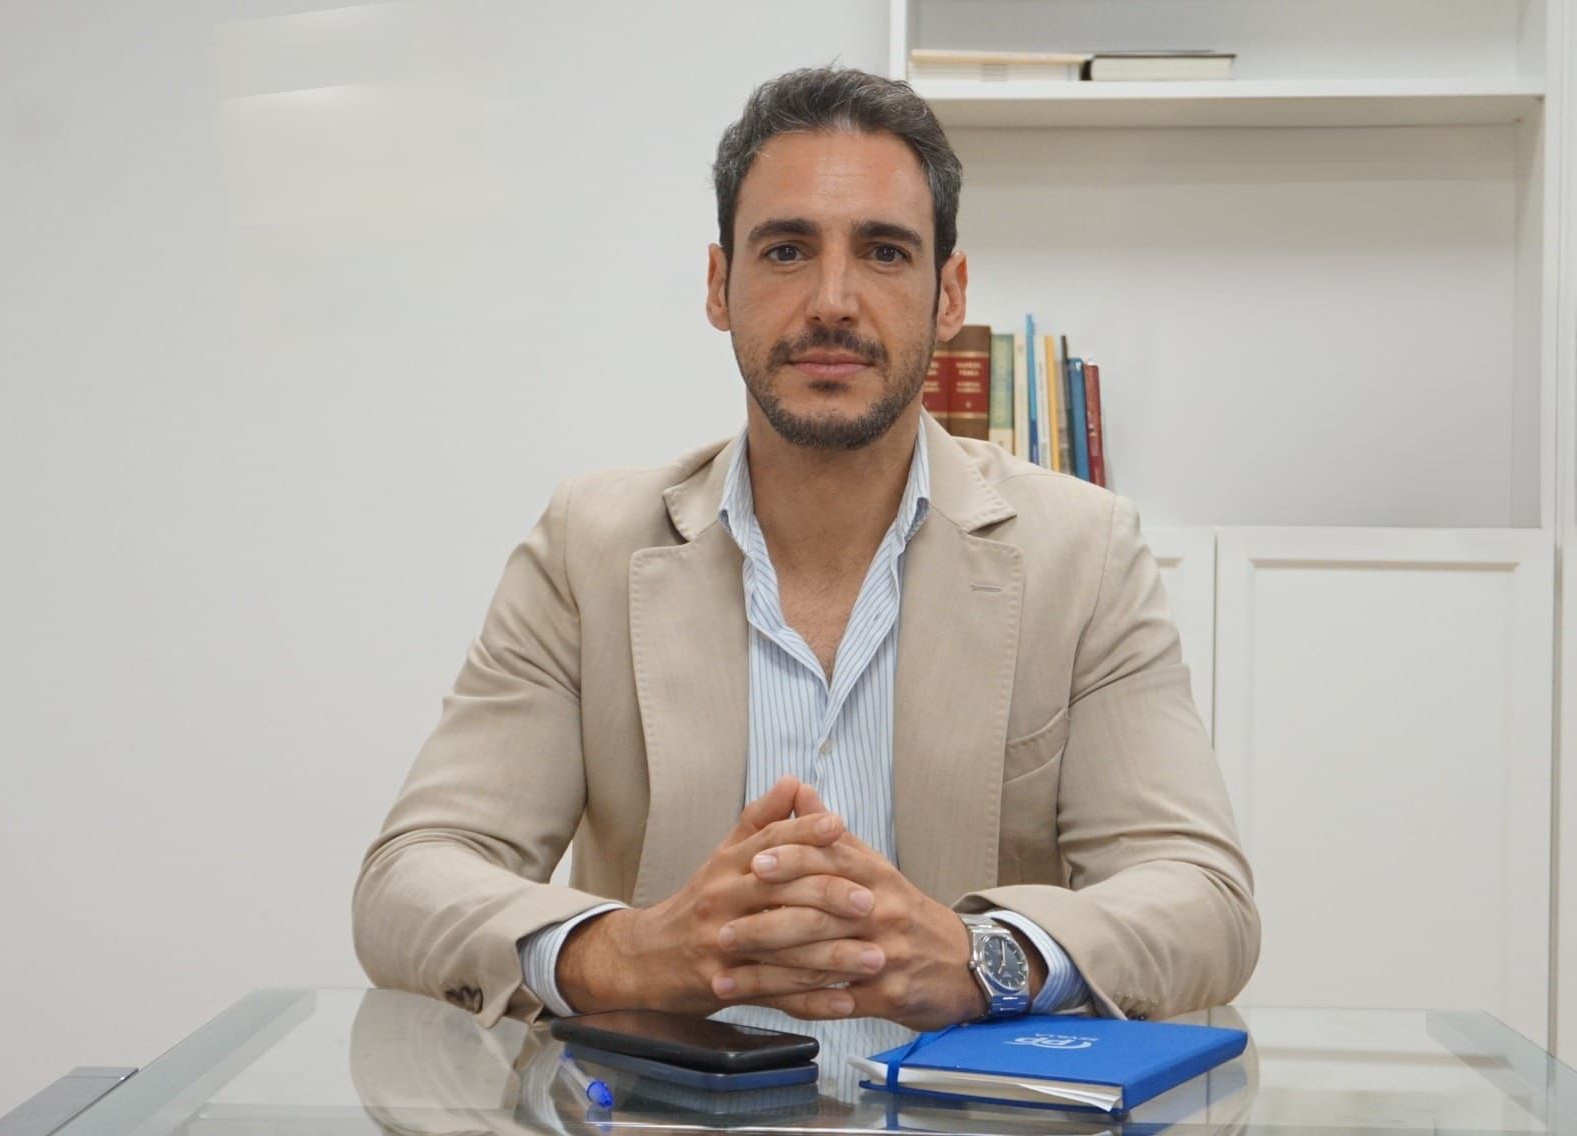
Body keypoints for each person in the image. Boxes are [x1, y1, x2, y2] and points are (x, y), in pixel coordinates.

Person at [353, 66, 1259, 1033]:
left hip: (969, 1104)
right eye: (787, 251)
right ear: (719, 286)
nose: (833, 301)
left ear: (949, 295)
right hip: (658, 1102)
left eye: (883, 252)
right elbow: (410, 880)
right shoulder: (588, 548)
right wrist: (627, 954)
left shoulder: (1084, 553)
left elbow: (1202, 899)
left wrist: (981, 959)